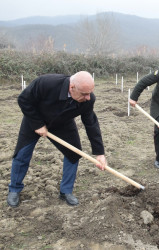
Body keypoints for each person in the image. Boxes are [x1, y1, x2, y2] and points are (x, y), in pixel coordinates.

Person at [7, 71, 107, 208]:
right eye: (84, 94)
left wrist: (99, 153)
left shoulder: (88, 100)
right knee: (22, 153)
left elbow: (91, 124)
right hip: (34, 120)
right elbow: (24, 99)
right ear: (72, 88)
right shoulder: (46, 83)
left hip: (62, 124)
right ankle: (14, 189)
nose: (88, 97)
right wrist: (37, 124)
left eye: (90, 93)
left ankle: (66, 191)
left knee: (74, 154)